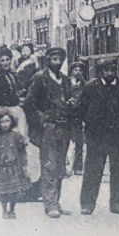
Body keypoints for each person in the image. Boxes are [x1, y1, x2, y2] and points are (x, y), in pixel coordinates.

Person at [25, 46, 80, 218]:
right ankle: (50, 204)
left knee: (60, 166)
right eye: (53, 59)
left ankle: (56, 200)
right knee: (49, 165)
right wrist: (42, 120)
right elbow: (29, 104)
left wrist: (71, 104)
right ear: (48, 60)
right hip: (48, 128)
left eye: (59, 60)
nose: (57, 63)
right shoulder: (40, 78)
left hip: (63, 127)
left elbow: (70, 100)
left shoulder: (64, 80)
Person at [76, 57, 119, 216]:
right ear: (100, 71)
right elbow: (81, 110)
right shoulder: (90, 87)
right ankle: (87, 204)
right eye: (106, 70)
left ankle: (117, 204)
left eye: (112, 70)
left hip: (118, 136)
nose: (109, 73)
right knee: (92, 170)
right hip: (97, 136)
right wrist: (87, 128)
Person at [0, 45, 40, 203]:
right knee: (7, 147)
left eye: (7, 59)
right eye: (2, 60)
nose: (5, 62)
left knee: (22, 146)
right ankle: (4, 188)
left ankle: (25, 187)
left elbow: (22, 91)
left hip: (18, 112)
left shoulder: (15, 76)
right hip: (5, 113)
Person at [0, 112, 31, 219]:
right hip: (2, 168)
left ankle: (12, 209)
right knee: (3, 191)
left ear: (12, 122)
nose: (5, 124)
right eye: (2, 122)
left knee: (14, 191)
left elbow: (22, 151)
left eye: (7, 121)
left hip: (15, 167)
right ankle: (4, 210)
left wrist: (24, 165)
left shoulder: (16, 136)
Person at [66, 58, 90, 176]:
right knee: (67, 139)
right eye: (75, 70)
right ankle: (65, 167)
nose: (78, 72)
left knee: (79, 141)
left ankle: (78, 166)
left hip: (79, 115)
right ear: (71, 71)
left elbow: (87, 99)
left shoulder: (85, 84)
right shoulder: (66, 83)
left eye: (80, 70)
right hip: (68, 114)